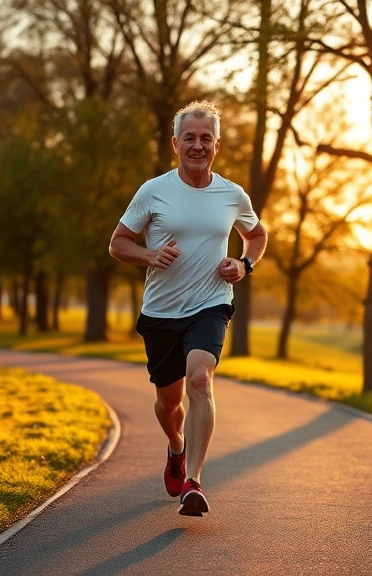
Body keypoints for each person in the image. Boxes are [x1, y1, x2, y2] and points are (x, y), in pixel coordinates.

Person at [109, 100, 267, 516]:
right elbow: (118, 243)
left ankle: (193, 482)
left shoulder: (232, 194)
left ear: (217, 144)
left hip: (211, 303)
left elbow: (257, 235)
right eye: (190, 138)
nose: (198, 146)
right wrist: (150, 255)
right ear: (175, 143)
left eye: (206, 138)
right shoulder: (153, 191)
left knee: (200, 379)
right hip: (161, 312)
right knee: (169, 404)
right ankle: (176, 449)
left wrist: (244, 263)